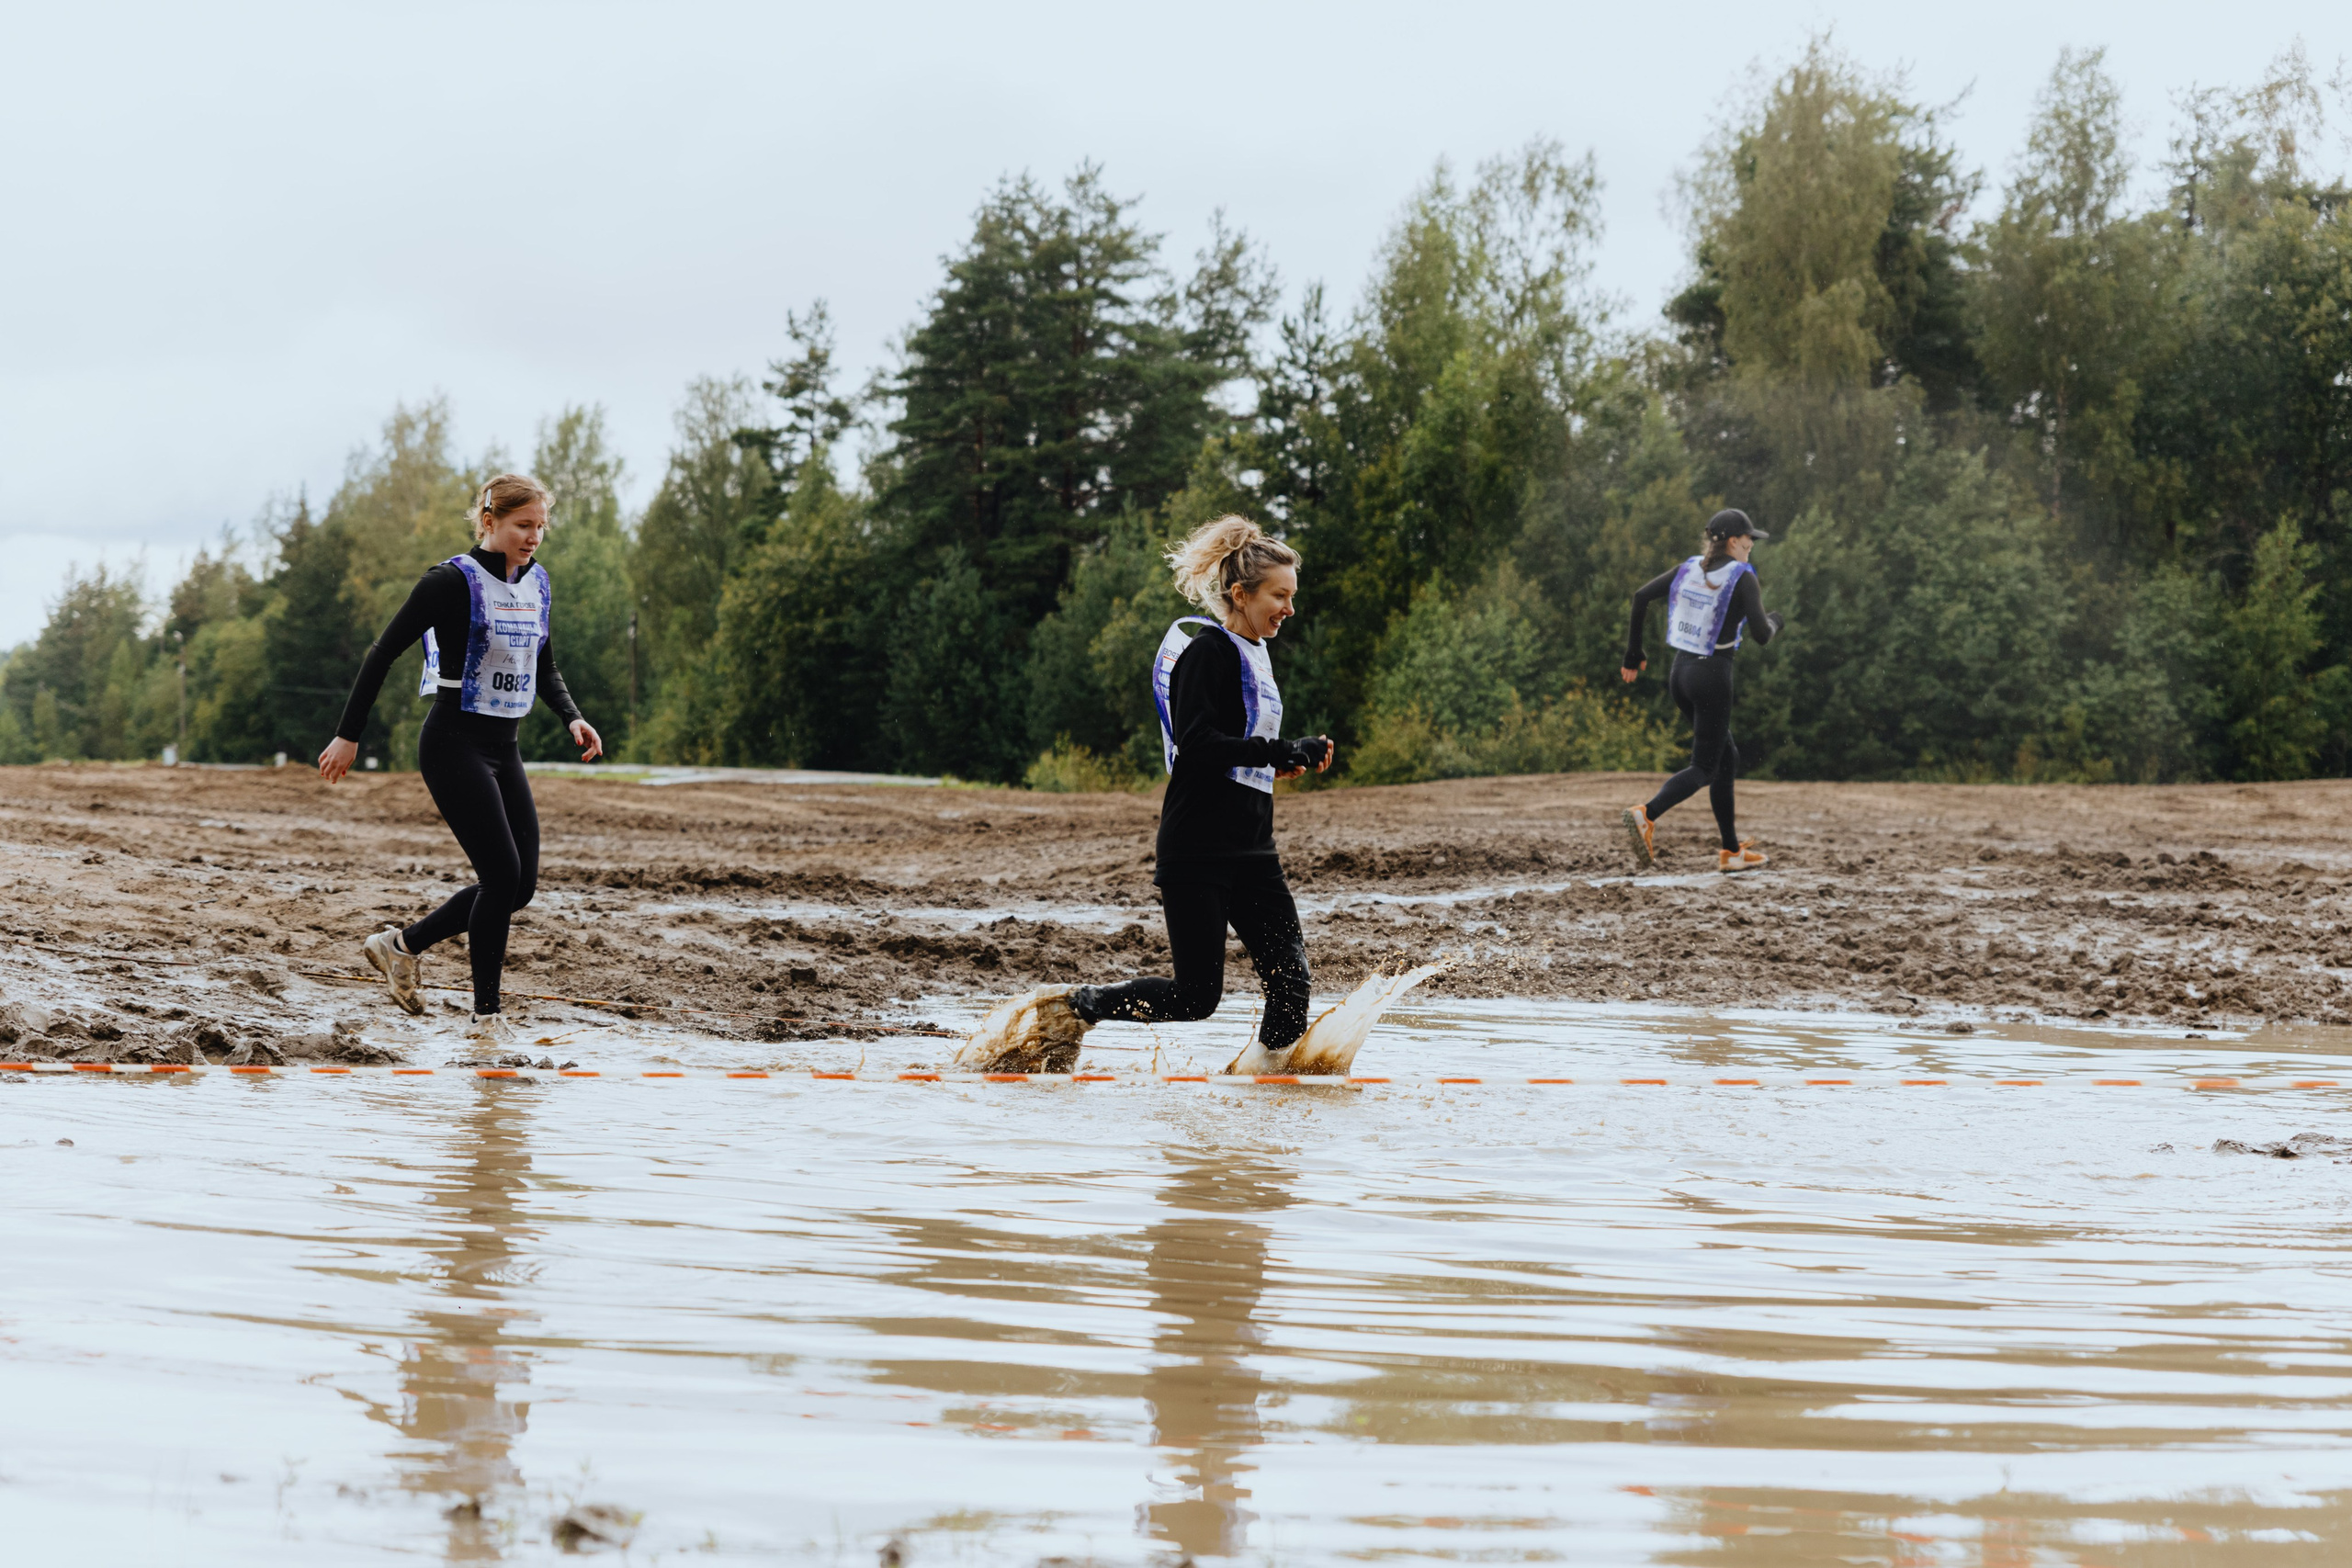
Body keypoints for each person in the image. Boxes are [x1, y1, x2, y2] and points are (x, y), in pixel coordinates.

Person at [981, 516, 1335, 1063]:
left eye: (1292, 596)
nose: (1290, 608)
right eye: (1279, 596)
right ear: (1240, 595)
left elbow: (1236, 750)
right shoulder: (1207, 652)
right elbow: (1197, 745)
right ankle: (1079, 1006)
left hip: (1254, 850)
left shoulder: (1256, 656)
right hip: (1197, 849)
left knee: (1291, 985)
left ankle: (1265, 1099)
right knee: (1195, 998)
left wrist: (1280, 762)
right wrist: (1278, 750)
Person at [317, 474, 603, 1046]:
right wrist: (349, 735)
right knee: (499, 877)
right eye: (524, 525)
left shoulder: (537, 584)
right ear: (490, 520)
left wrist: (571, 714)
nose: (534, 537)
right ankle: (486, 1019)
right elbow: (383, 652)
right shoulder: (451, 582)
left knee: (519, 887)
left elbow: (543, 665)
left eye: (542, 527)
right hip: (453, 743)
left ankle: (401, 946)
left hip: (505, 747)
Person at [1620, 508, 1782, 874]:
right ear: (1731, 541)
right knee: (1704, 767)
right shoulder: (1743, 578)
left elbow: (1640, 596)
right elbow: (1761, 635)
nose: (1751, 544)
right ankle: (1646, 814)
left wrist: (1634, 652)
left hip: (1681, 674)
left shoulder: (1689, 568)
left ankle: (1731, 851)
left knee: (1727, 757)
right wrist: (1776, 620)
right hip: (1712, 677)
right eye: (1748, 538)